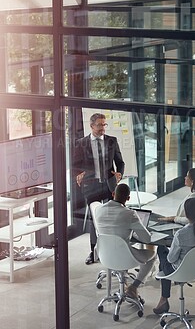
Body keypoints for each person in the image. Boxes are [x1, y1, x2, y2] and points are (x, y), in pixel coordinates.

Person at [73, 113, 125, 265]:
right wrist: (78, 174)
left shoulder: (112, 141)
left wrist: (119, 174)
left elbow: (120, 162)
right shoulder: (81, 143)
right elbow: (75, 164)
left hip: (109, 185)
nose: (103, 128)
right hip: (91, 186)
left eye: (104, 125)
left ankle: (113, 249)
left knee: (112, 218)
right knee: (93, 220)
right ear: (92, 126)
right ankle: (93, 251)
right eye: (99, 125)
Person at [95, 183, 156, 299]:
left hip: (104, 254)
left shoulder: (99, 210)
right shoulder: (129, 214)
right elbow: (146, 239)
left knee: (124, 246)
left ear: (113, 194)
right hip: (124, 256)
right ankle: (133, 287)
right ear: (128, 198)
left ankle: (126, 284)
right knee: (152, 256)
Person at [153, 197, 195, 314]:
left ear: (186, 213)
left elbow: (171, 259)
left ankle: (164, 299)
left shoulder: (181, 234)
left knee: (161, 250)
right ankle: (163, 300)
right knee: (163, 263)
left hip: (178, 271)